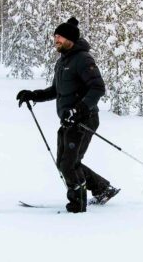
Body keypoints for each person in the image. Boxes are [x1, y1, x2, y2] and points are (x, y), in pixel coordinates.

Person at [16, 17, 120, 213]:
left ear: (70, 39)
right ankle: (102, 188)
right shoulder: (62, 62)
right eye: (55, 36)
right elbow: (56, 90)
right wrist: (33, 95)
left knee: (68, 165)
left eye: (59, 36)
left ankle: (77, 205)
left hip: (84, 119)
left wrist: (79, 109)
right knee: (65, 163)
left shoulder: (83, 59)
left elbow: (98, 88)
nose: (55, 40)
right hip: (68, 120)